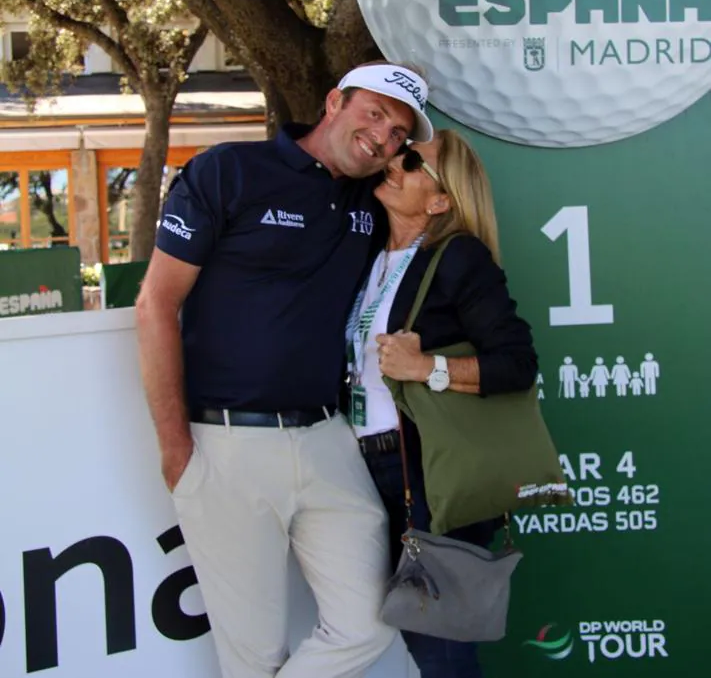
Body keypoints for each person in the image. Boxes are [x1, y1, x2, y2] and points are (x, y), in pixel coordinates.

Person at [135, 61, 434, 678]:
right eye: (373, 113)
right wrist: (176, 449)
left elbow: (434, 192)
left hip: (328, 441)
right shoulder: (230, 171)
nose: (382, 137)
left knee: (371, 623)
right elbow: (156, 304)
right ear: (333, 103)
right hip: (226, 444)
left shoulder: (372, 202)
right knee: (253, 654)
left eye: (399, 132)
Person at [346, 129, 538, 678]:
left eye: (411, 161)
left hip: (430, 474)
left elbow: (517, 363)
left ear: (440, 200)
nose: (394, 163)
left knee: (439, 650)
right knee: (380, 638)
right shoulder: (367, 254)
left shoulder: (458, 257)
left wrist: (427, 368)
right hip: (359, 466)